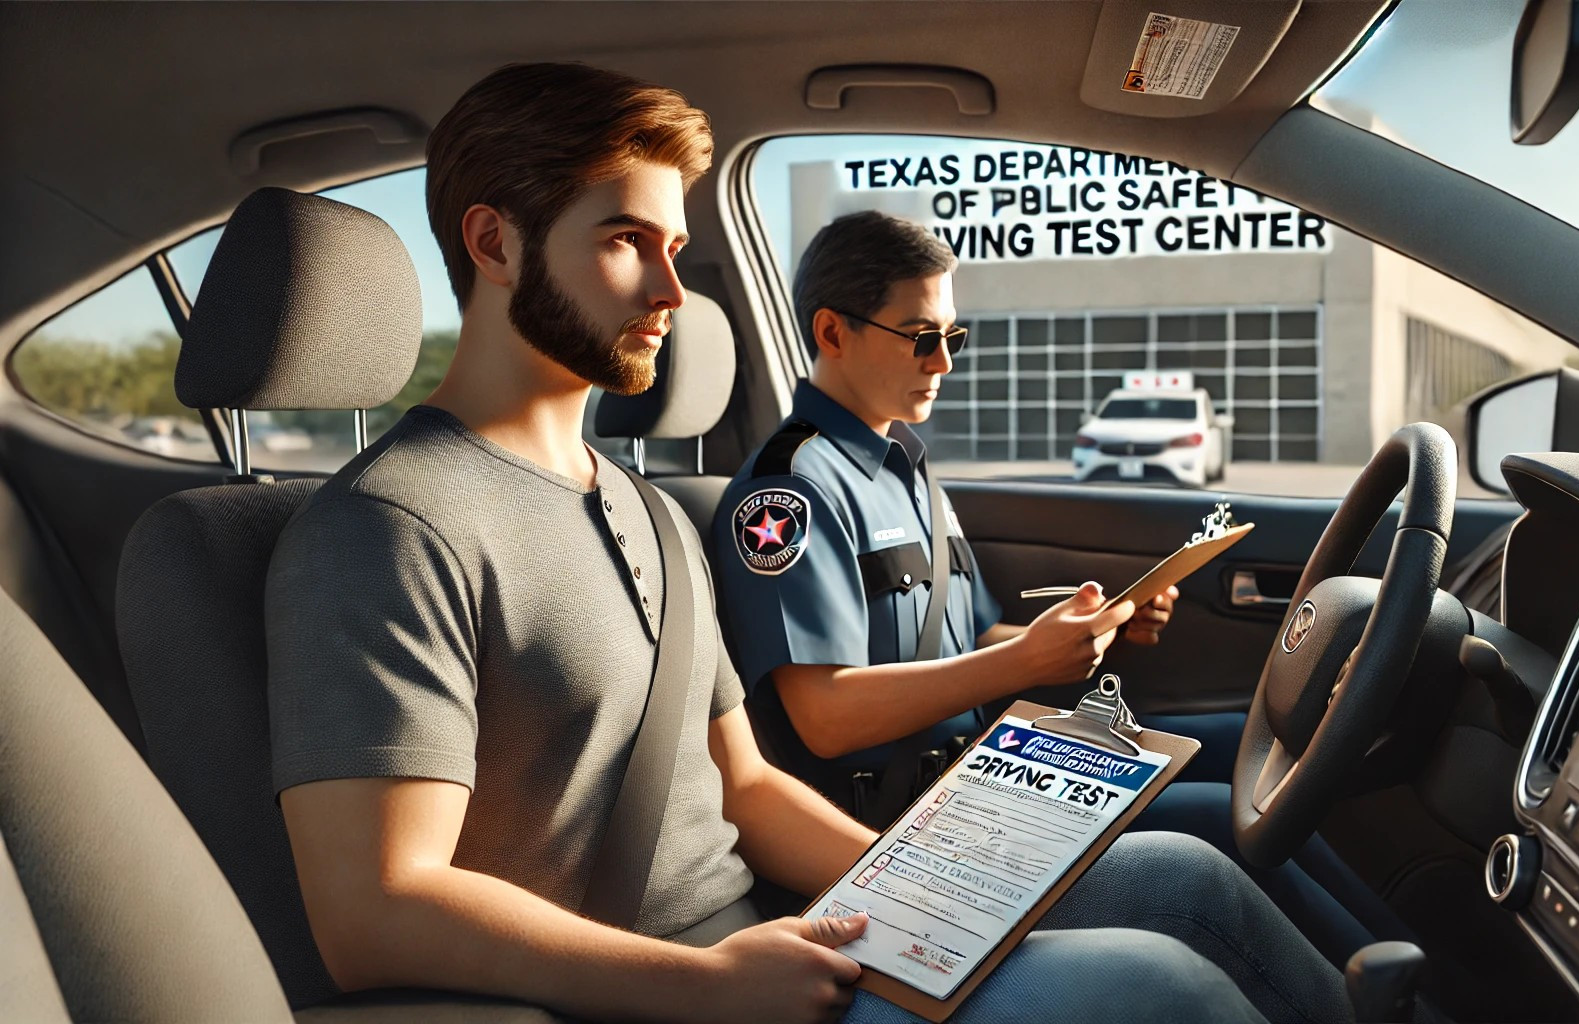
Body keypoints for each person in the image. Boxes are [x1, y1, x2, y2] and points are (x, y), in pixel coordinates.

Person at [266, 62, 1352, 1024]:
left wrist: (930, 893)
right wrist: (702, 984)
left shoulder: (643, 509)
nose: (669, 290)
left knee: (1183, 884)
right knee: (1154, 988)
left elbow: (741, 785)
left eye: (674, 247)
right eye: (622, 241)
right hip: (670, 986)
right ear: (494, 242)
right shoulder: (390, 527)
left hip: (790, 939)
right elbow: (375, 910)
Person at [712, 210, 1390, 969]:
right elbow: (825, 718)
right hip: (902, 825)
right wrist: (1024, 664)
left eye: (953, 338)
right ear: (833, 332)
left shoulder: (905, 464)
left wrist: (1088, 631)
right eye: (921, 337)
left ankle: (1405, 972)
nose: (944, 362)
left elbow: (968, 646)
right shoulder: (786, 493)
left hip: (980, 774)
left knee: (1244, 747)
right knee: (1217, 827)